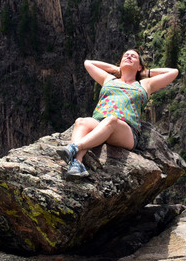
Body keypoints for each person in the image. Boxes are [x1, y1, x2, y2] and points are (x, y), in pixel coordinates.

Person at [57, 49, 179, 178]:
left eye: (133, 57)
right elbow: (88, 63)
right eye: (126, 55)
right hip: (99, 122)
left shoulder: (145, 84)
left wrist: (145, 72)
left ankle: (75, 147)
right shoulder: (108, 79)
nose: (129, 57)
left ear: (139, 66)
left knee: (111, 121)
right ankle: (77, 163)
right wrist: (117, 69)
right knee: (81, 121)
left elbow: (173, 72)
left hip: (126, 130)